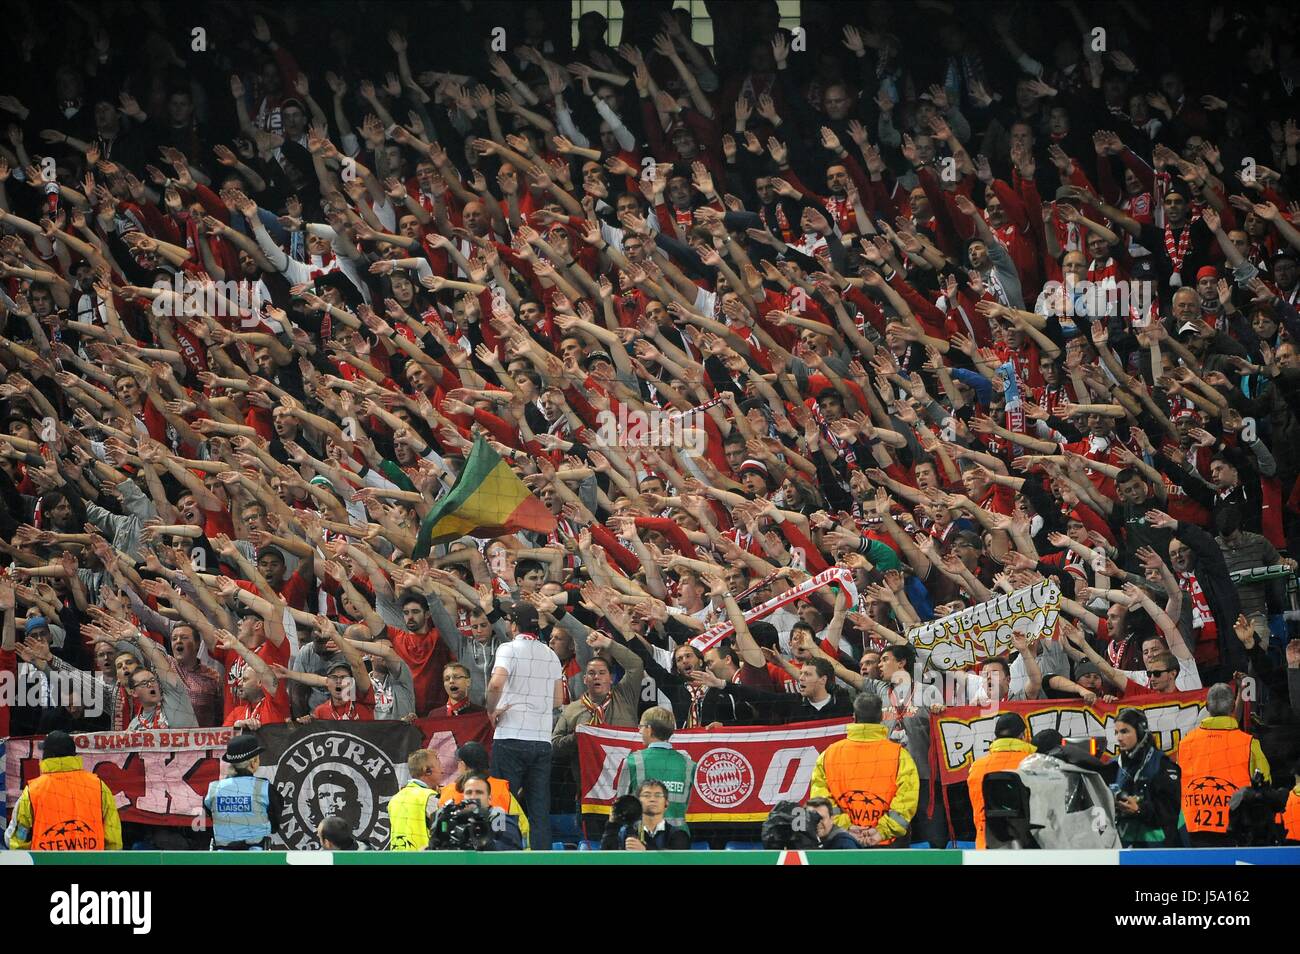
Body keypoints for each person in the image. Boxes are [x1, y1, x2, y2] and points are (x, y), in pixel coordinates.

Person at [486, 603, 563, 851]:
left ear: (514, 625)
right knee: (539, 808)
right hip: (542, 741)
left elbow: (496, 684)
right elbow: (559, 700)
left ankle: (501, 853)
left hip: (510, 737)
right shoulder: (551, 654)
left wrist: (491, 709)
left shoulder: (508, 648)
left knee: (501, 802)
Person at [810, 693, 919, 847]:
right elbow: (907, 799)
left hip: (844, 842)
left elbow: (820, 798)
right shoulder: (901, 755)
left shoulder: (829, 754)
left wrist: (845, 826)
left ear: (854, 717)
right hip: (888, 844)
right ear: (881, 717)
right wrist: (882, 830)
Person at [1177, 683, 1271, 846]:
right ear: (1233, 706)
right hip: (1234, 830)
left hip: (1192, 828)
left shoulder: (1185, 743)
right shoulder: (1249, 744)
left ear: (1206, 706)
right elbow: (1265, 784)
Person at [7, 730, 122, 851]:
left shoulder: (32, 791)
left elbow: (16, 840)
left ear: (48, 756)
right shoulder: (99, 787)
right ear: (73, 754)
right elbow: (113, 838)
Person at [1110, 707, 1187, 848]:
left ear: (1139, 732)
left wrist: (1139, 809)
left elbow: (1170, 813)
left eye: (1124, 731)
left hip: (1160, 846)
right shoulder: (1113, 765)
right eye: (1116, 732)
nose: (1119, 738)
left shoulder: (1162, 765)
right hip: (1125, 845)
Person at [614, 706, 698, 828]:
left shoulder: (633, 761)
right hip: (679, 839)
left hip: (642, 839)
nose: (639, 731)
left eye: (641, 727)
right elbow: (686, 804)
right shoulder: (689, 765)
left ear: (649, 729)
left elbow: (621, 807)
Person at [966, 713, 1037, 850]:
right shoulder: (1035, 763)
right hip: (1027, 846)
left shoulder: (976, 767)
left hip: (985, 847)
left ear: (996, 737)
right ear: (1023, 735)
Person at [203, 733, 281, 850]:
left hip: (221, 858)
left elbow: (213, 816)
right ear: (254, 762)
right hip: (256, 858)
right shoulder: (265, 788)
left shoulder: (214, 789)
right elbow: (275, 825)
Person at [599, 780, 691, 851]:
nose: (652, 799)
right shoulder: (625, 832)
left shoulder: (678, 835)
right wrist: (612, 824)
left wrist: (645, 851)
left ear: (666, 803)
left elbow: (676, 862)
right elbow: (605, 859)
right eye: (647, 795)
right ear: (638, 802)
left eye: (658, 795)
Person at [387, 749, 443, 851]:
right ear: (427, 770)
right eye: (439, 765)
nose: (442, 771)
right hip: (423, 860)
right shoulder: (430, 797)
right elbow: (442, 831)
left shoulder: (394, 799)